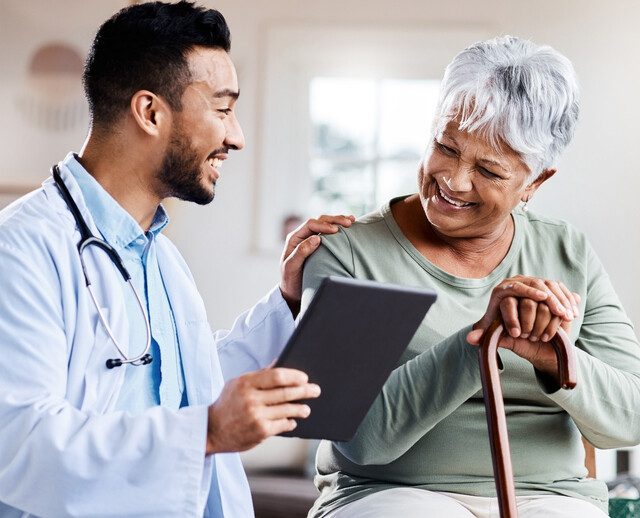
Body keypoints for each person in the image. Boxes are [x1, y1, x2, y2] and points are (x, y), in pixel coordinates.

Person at [0, 2, 355, 517]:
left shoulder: (159, 254)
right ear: (150, 112)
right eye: (222, 108)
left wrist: (287, 300)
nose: (236, 137)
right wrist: (207, 432)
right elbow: (18, 442)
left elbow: (193, 385)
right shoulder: (22, 249)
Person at [302, 36, 640, 518]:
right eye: (446, 146)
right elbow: (359, 440)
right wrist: (481, 338)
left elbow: (631, 417)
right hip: (387, 495)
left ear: (536, 182)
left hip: (549, 497)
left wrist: (550, 357)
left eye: (489, 170)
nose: (454, 181)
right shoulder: (351, 252)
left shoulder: (565, 250)